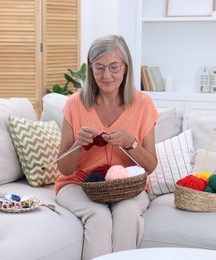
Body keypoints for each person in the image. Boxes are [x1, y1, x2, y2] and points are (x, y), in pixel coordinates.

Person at [54, 34, 159, 260]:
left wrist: (131, 144)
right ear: (91, 69)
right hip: (79, 185)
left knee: (128, 214)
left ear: (125, 67)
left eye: (114, 67)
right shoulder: (75, 104)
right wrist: (78, 145)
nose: (107, 75)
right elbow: (64, 169)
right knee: (99, 216)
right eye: (99, 68)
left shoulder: (143, 104)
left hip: (128, 187)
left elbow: (150, 166)